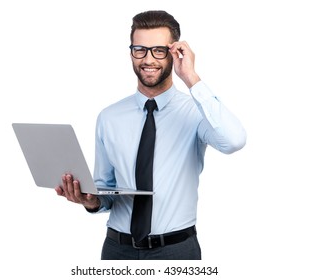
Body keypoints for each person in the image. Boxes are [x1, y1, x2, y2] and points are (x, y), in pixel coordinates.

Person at [55, 10, 246, 260]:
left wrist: (191, 78)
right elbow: (106, 190)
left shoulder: (196, 112)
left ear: (174, 52)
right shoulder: (109, 117)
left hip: (176, 250)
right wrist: (90, 200)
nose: (148, 59)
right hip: (117, 249)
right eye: (140, 49)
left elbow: (234, 140)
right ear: (131, 52)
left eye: (158, 50)